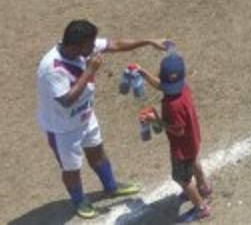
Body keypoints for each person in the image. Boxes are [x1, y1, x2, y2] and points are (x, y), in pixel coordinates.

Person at [36, 20, 166, 219]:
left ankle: (111, 187)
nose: (95, 46)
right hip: (63, 128)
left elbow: (115, 44)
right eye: (91, 43)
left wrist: (148, 41)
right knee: (71, 168)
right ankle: (79, 201)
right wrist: (90, 71)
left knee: (97, 152)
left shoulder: (80, 47)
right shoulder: (51, 69)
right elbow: (67, 100)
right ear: (78, 45)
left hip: (86, 117)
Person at [138, 52, 212, 222]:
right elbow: (163, 86)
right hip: (193, 139)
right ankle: (204, 187)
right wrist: (143, 73)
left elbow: (177, 130)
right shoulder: (183, 88)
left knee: (182, 178)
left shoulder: (172, 105)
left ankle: (201, 208)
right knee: (193, 162)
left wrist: (155, 120)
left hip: (181, 147)